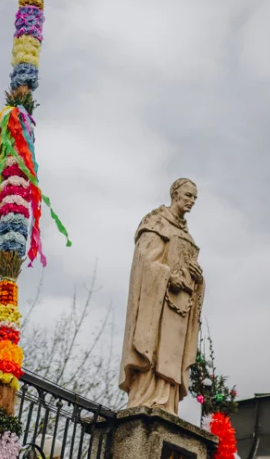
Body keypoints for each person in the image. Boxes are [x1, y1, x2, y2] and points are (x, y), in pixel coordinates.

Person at [119, 178, 204, 416]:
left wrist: (198, 278)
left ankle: (167, 403)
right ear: (175, 194)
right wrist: (167, 277)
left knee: (172, 355)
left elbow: (190, 268)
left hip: (178, 308)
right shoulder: (156, 222)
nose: (192, 202)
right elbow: (144, 262)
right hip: (157, 305)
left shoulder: (187, 235)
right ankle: (146, 397)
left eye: (195, 198)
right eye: (188, 196)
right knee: (155, 349)